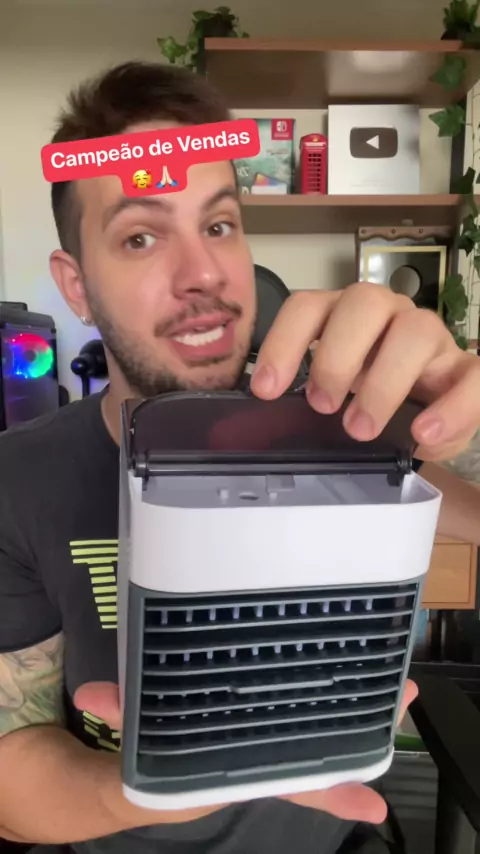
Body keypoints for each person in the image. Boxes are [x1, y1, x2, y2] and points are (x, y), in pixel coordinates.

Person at [0, 60, 480, 854]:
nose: (204, 275)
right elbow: (10, 774)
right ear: (76, 286)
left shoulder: (342, 433)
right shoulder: (18, 481)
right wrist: (155, 792)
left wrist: (453, 410)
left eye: (219, 225)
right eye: (141, 236)